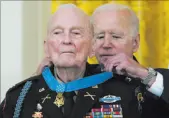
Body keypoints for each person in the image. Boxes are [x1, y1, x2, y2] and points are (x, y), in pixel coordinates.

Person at [1, 3, 169, 118]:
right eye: (58, 32)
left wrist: (145, 75)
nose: (106, 44)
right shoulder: (21, 95)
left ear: (91, 48)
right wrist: (35, 83)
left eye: (76, 33)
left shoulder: (133, 89)